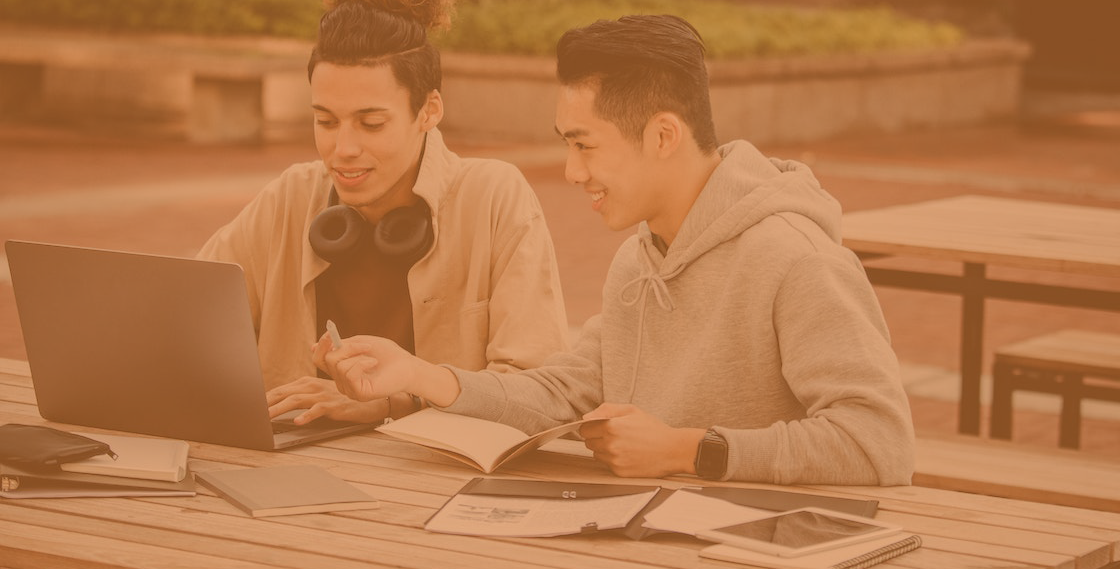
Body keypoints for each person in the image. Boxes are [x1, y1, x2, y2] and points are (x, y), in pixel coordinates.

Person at [316, 14, 915, 485]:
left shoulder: (797, 260)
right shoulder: (640, 259)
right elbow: (560, 393)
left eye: (585, 145)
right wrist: (422, 376)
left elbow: (878, 441)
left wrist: (688, 449)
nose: (572, 172)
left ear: (662, 135)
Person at [197, 0, 569, 426]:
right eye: (326, 121)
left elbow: (539, 397)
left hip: (434, 481)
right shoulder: (289, 196)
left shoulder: (494, 197)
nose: (344, 149)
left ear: (429, 110)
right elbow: (181, 324)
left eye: (371, 124)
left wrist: (395, 402)